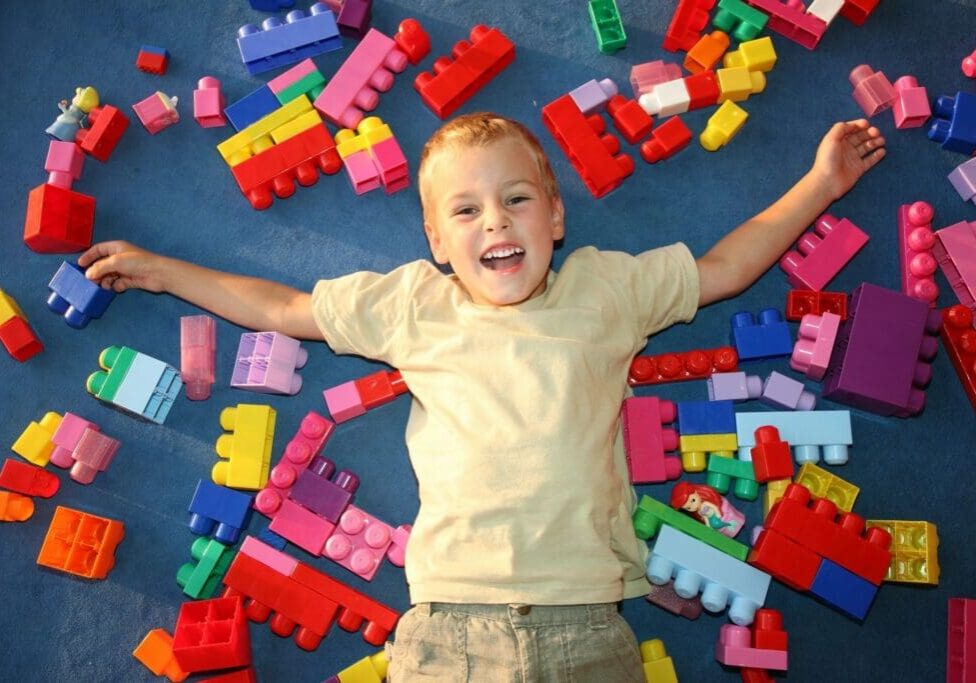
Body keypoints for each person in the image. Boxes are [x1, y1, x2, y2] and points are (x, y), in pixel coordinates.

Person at [79, 112, 885, 682]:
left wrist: (821, 182)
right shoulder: (413, 305)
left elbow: (725, 269)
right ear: (437, 242)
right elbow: (284, 308)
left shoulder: (607, 287)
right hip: (447, 630)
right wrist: (163, 271)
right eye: (466, 210)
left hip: (589, 628)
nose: (495, 220)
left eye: (518, 198)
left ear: (557, 215)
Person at [669, 481, 745, 538]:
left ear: (695, 491)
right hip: (715, 522)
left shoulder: (705, 503)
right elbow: (705, 518)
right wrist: (708, 525)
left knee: (731, 523)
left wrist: (718, 513)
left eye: (693, 501)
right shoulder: (698, 512)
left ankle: (736, 523)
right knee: (726, 530)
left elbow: (714, 506)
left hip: (723, 514)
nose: (693, 506)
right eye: (688, 508)